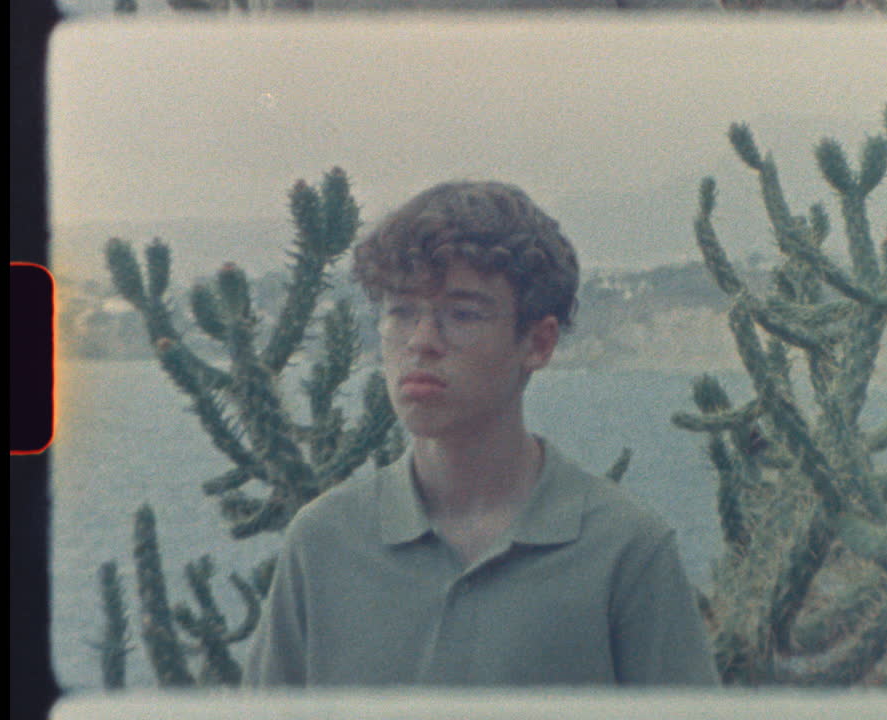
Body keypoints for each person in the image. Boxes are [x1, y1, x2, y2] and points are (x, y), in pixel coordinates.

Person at [244, 180, 719, 687]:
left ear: (538, 343)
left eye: (462, 314)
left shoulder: (624, 550)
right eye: (401, 311)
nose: (422, 341)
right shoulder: (323, 544)